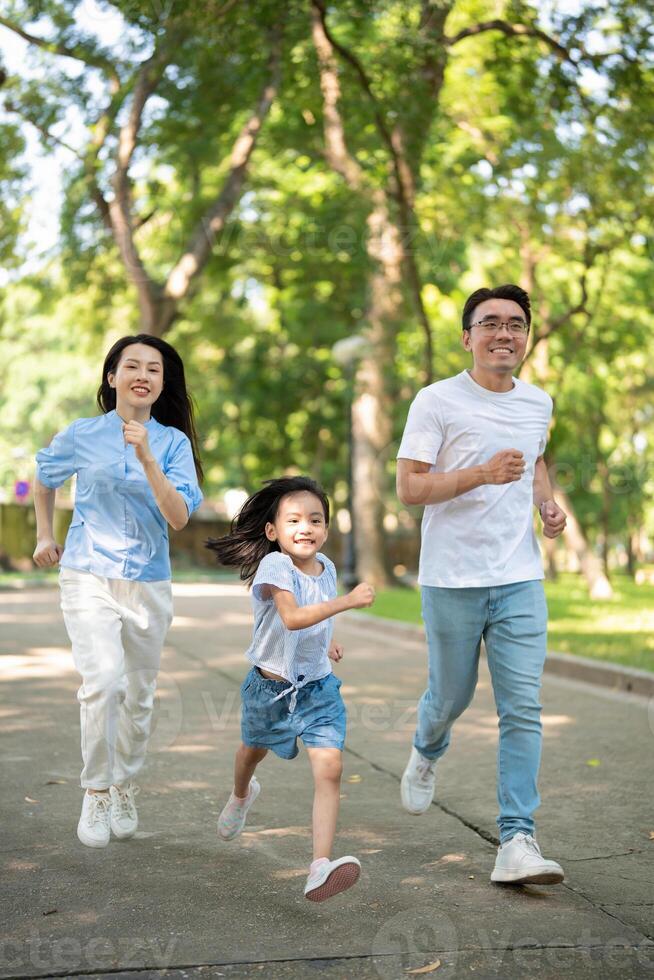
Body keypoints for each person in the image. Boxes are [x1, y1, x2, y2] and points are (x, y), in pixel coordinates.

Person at [396, 284, 567, 885]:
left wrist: (547, 505)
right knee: (451, 695)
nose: (504, 333)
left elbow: (536, 461)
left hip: (520, 577)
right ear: (467, 337)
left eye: (516, 324)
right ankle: (427, 746)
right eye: (490, 323)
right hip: (451, 578)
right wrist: (481, 475)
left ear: (526, 338)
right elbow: (411, 489)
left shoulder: (538, 402)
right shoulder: (436, 401)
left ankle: (517, 838)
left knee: (523, 707)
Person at [33, 335, 203, 849]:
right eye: (132, 365)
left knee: (139, 696)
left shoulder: (173, 445)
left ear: (161, 384)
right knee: (103, 681)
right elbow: (44, 475)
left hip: (148, 581)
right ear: (112, 378)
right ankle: (96, 790)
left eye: (154, 369)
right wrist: (45, 533)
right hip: (88, 573)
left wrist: (147, 456)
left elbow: (178, 517)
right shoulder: (83, 435)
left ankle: (125, 783)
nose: (143, 375)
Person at [206, 476, 375, 901]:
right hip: (271, 690)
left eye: (315, 520)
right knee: (251, 751)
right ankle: (241, 795)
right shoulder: (275, 566)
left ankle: (320, 865)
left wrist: (328, 639)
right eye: (294, 520)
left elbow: (314, 621)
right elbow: (293, 618)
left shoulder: (328, 567)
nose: (306, 528)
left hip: (318, 689)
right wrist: (348, 602)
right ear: (273, 531)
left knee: (330, 768)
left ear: (326, 529)